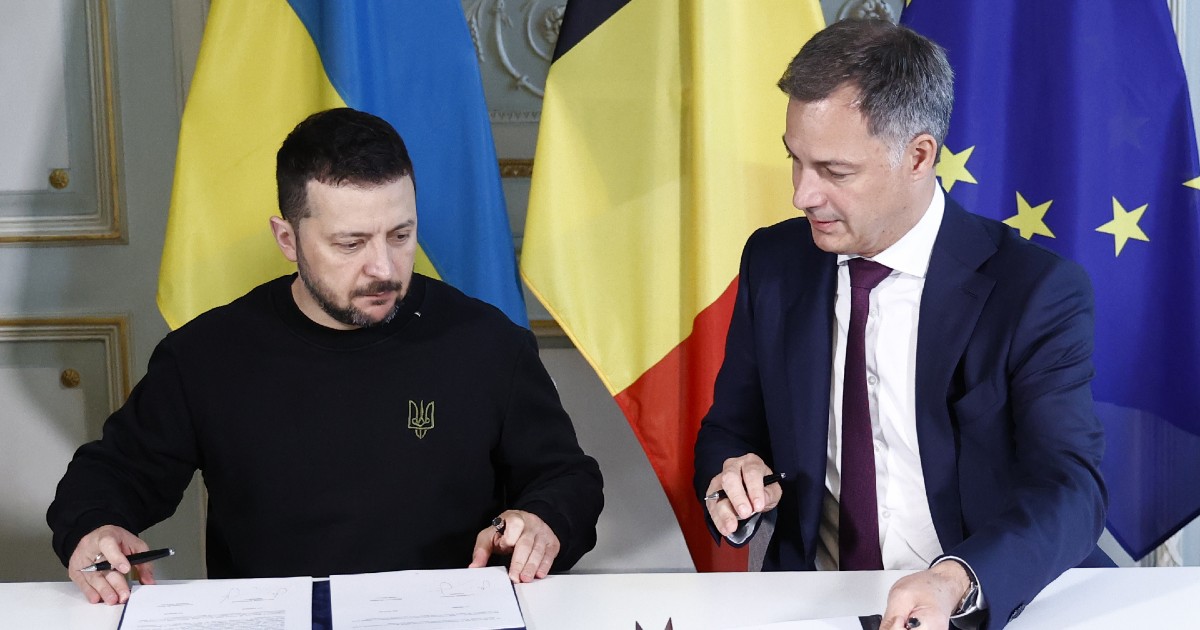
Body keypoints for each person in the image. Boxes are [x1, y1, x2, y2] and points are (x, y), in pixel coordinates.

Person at [48, 107, 604, 606]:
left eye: (400, 235)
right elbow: (111, 476)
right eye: (350, 243)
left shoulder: (486, 342)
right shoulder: (206, 355)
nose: (383, 268)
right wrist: (94, 528)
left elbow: (567, 478)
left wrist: (542, 520)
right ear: (287, 239)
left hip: (452, 617)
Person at [693, 19, 1108, 630]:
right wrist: (733, 481)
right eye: (795, 161)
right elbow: (730, 430)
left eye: (835, 172)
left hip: (974, 603)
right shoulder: (774, 262)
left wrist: (956, 580)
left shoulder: (1035, 291)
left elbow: (1071, 488)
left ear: (918, 156)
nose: (802, 194)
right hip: (815, 605)